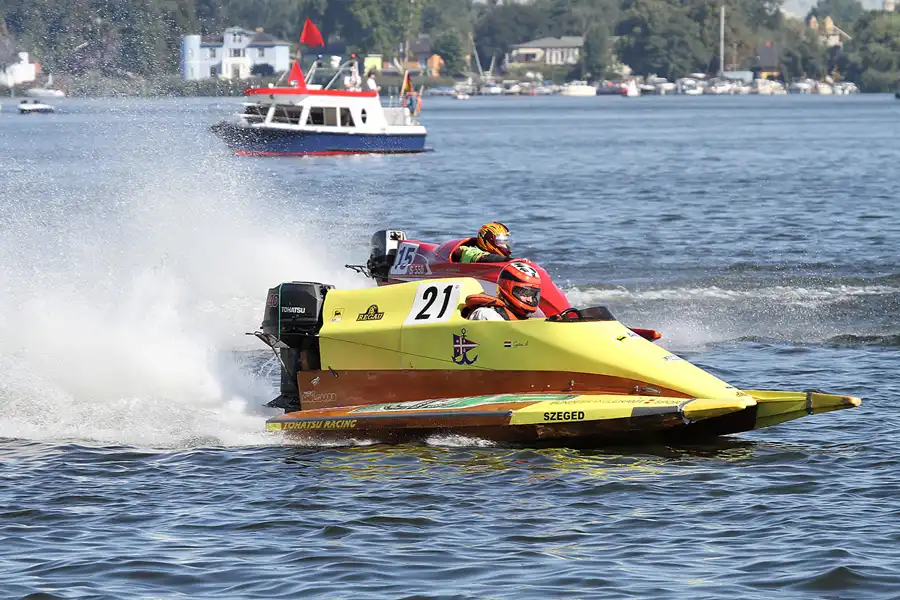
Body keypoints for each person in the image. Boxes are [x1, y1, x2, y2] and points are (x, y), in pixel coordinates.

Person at [465, 262, 542, 321]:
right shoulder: (486, 314)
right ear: (508, 289)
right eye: (525, 294)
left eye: (532, 295)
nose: (530, 300)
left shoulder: (525, 317)